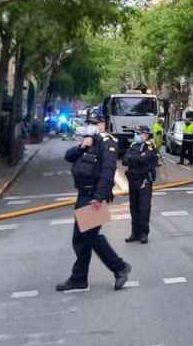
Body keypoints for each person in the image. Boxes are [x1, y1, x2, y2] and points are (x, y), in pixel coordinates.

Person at [57, 112, 131, 292]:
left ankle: (119, 267)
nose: (92, 126)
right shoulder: (89, 141)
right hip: (83, 194)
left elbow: (108, 170)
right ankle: (79, 279)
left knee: (89, 236)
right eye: (89, 123)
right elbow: (69, 157)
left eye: (95, 123)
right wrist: (82, 146)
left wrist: (99, 196)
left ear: (103, 124)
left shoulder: (107, 143)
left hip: (94, 196)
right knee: (80, 238)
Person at [123, 125, 158, 244]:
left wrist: (134, 158)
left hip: (144, 181)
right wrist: (137, 157)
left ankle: (144, 234)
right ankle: (135, 233)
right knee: (134, 207)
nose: (137, 135)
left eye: (139, 133)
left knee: (144, 208)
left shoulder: (150, 147)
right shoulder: (133, 145)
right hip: (132, 180)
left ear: (146, 135)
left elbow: (146, 159)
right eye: (137, 133)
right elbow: (124, 160)